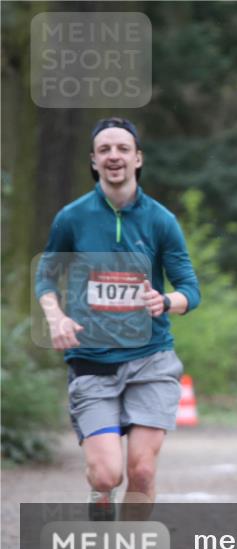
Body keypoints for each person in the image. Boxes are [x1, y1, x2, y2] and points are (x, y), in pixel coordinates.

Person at [35, 117, 201, 521]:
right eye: (105, 150)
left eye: (123, 149)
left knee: (141, 471)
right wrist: (56, 317)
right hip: (92, 360)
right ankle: (100, 493)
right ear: (94, 161)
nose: (114, 156)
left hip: (151, 359)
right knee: (107, 474)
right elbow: (46, 276)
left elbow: (190, 290)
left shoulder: (161, 221)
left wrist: (166, 301)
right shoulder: (72, 218)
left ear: (137, 158)